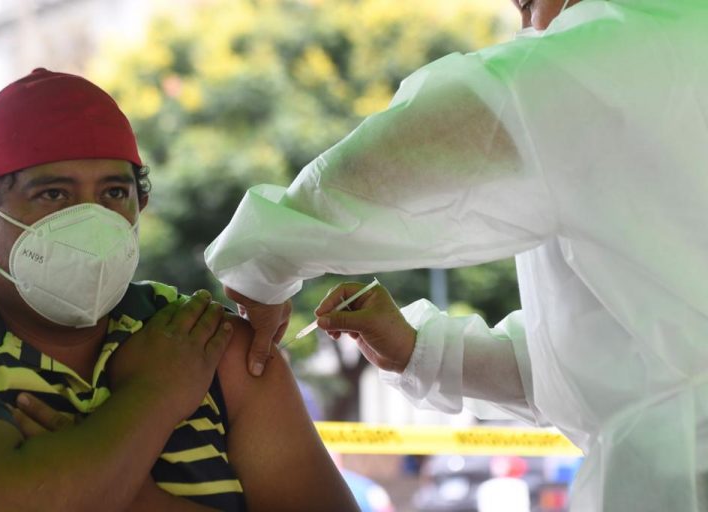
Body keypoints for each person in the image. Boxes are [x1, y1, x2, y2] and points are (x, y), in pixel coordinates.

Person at [204, 0, 708, 510]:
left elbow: (406, 151)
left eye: (530, 5)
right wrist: (418, 350)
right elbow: (615, 365)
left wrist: (260, 261)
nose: (528, 30)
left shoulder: (623, 51)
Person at [0, 68, 359, 512]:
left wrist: (109, 491)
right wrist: (156, 394)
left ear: (140, 205)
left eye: (114, 192)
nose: (92, 221)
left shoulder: (205, 338)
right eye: (54, 196)